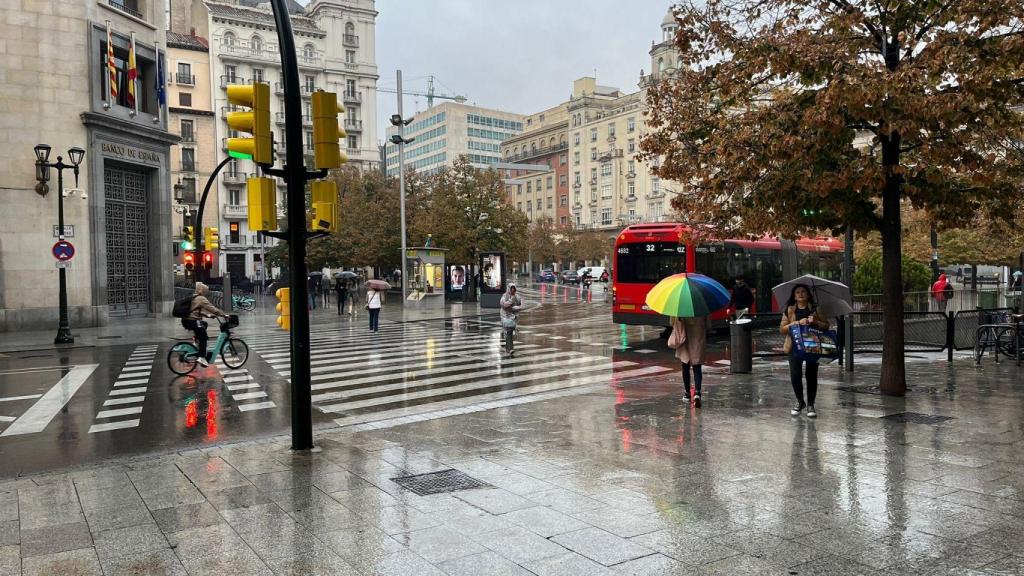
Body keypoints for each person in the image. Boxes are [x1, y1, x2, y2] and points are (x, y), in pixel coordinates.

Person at [780, 284, 830, 418]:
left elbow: (826, 326)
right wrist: (796, 323)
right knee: (795, 374)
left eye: (803, 292)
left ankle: (811, 404)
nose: (800, 294)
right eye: (797, 292)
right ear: (794, 296)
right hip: (794, 347)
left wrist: (815, 322)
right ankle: (800, 401)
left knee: (811, 375)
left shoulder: (815, 309)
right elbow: (782, 329)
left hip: (813, 346)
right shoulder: (789, 310)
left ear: (808, 294)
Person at [182, 282, 229, 367]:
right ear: (202, 290)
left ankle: (197, 342)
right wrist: (223, 314)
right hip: (192, 321)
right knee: (203, 336)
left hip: (186, 320)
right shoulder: (201, 298)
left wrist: (207, 315)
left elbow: (194, 311)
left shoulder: (193, 296)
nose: (206, 293)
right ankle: (201, 357)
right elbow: (212, 308)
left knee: (204, 324)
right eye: (205, 291)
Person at [669, 315, 708, 406]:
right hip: (698, 334)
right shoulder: (702, 304)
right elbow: (708, 324)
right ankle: (697, 392)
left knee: (685, 365)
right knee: (697, 365)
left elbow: (671, 322)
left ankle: (687, 393)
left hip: (683, 336)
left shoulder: (680, 305)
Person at [499, 283, 522, 356]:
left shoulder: (517, 297)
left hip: (513, 317)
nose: (513, 290)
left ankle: (508, 349)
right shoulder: (504, 296)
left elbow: (520, 305)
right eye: (511, 288)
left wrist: (513, 308)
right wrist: (511, 302)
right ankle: (510, 349)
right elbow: (503, 305)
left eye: (514, 288)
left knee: (510, 332)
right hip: (505, 316)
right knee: (509, 332)